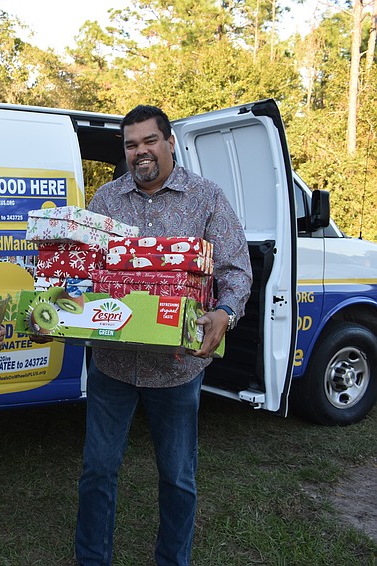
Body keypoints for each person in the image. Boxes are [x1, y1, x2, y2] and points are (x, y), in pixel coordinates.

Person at [75, 106, 252, 566]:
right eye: (131, 145)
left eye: (149, 141)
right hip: (113, 364)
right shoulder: (106, 201)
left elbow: (236, 269)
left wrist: (225, 314)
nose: (140, 152)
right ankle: (92, 559)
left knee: (177, 477)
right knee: (97, 470)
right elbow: (86, 270)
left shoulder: (206, 198)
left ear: (170, 142)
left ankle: (173, 560)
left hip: (177, 369)